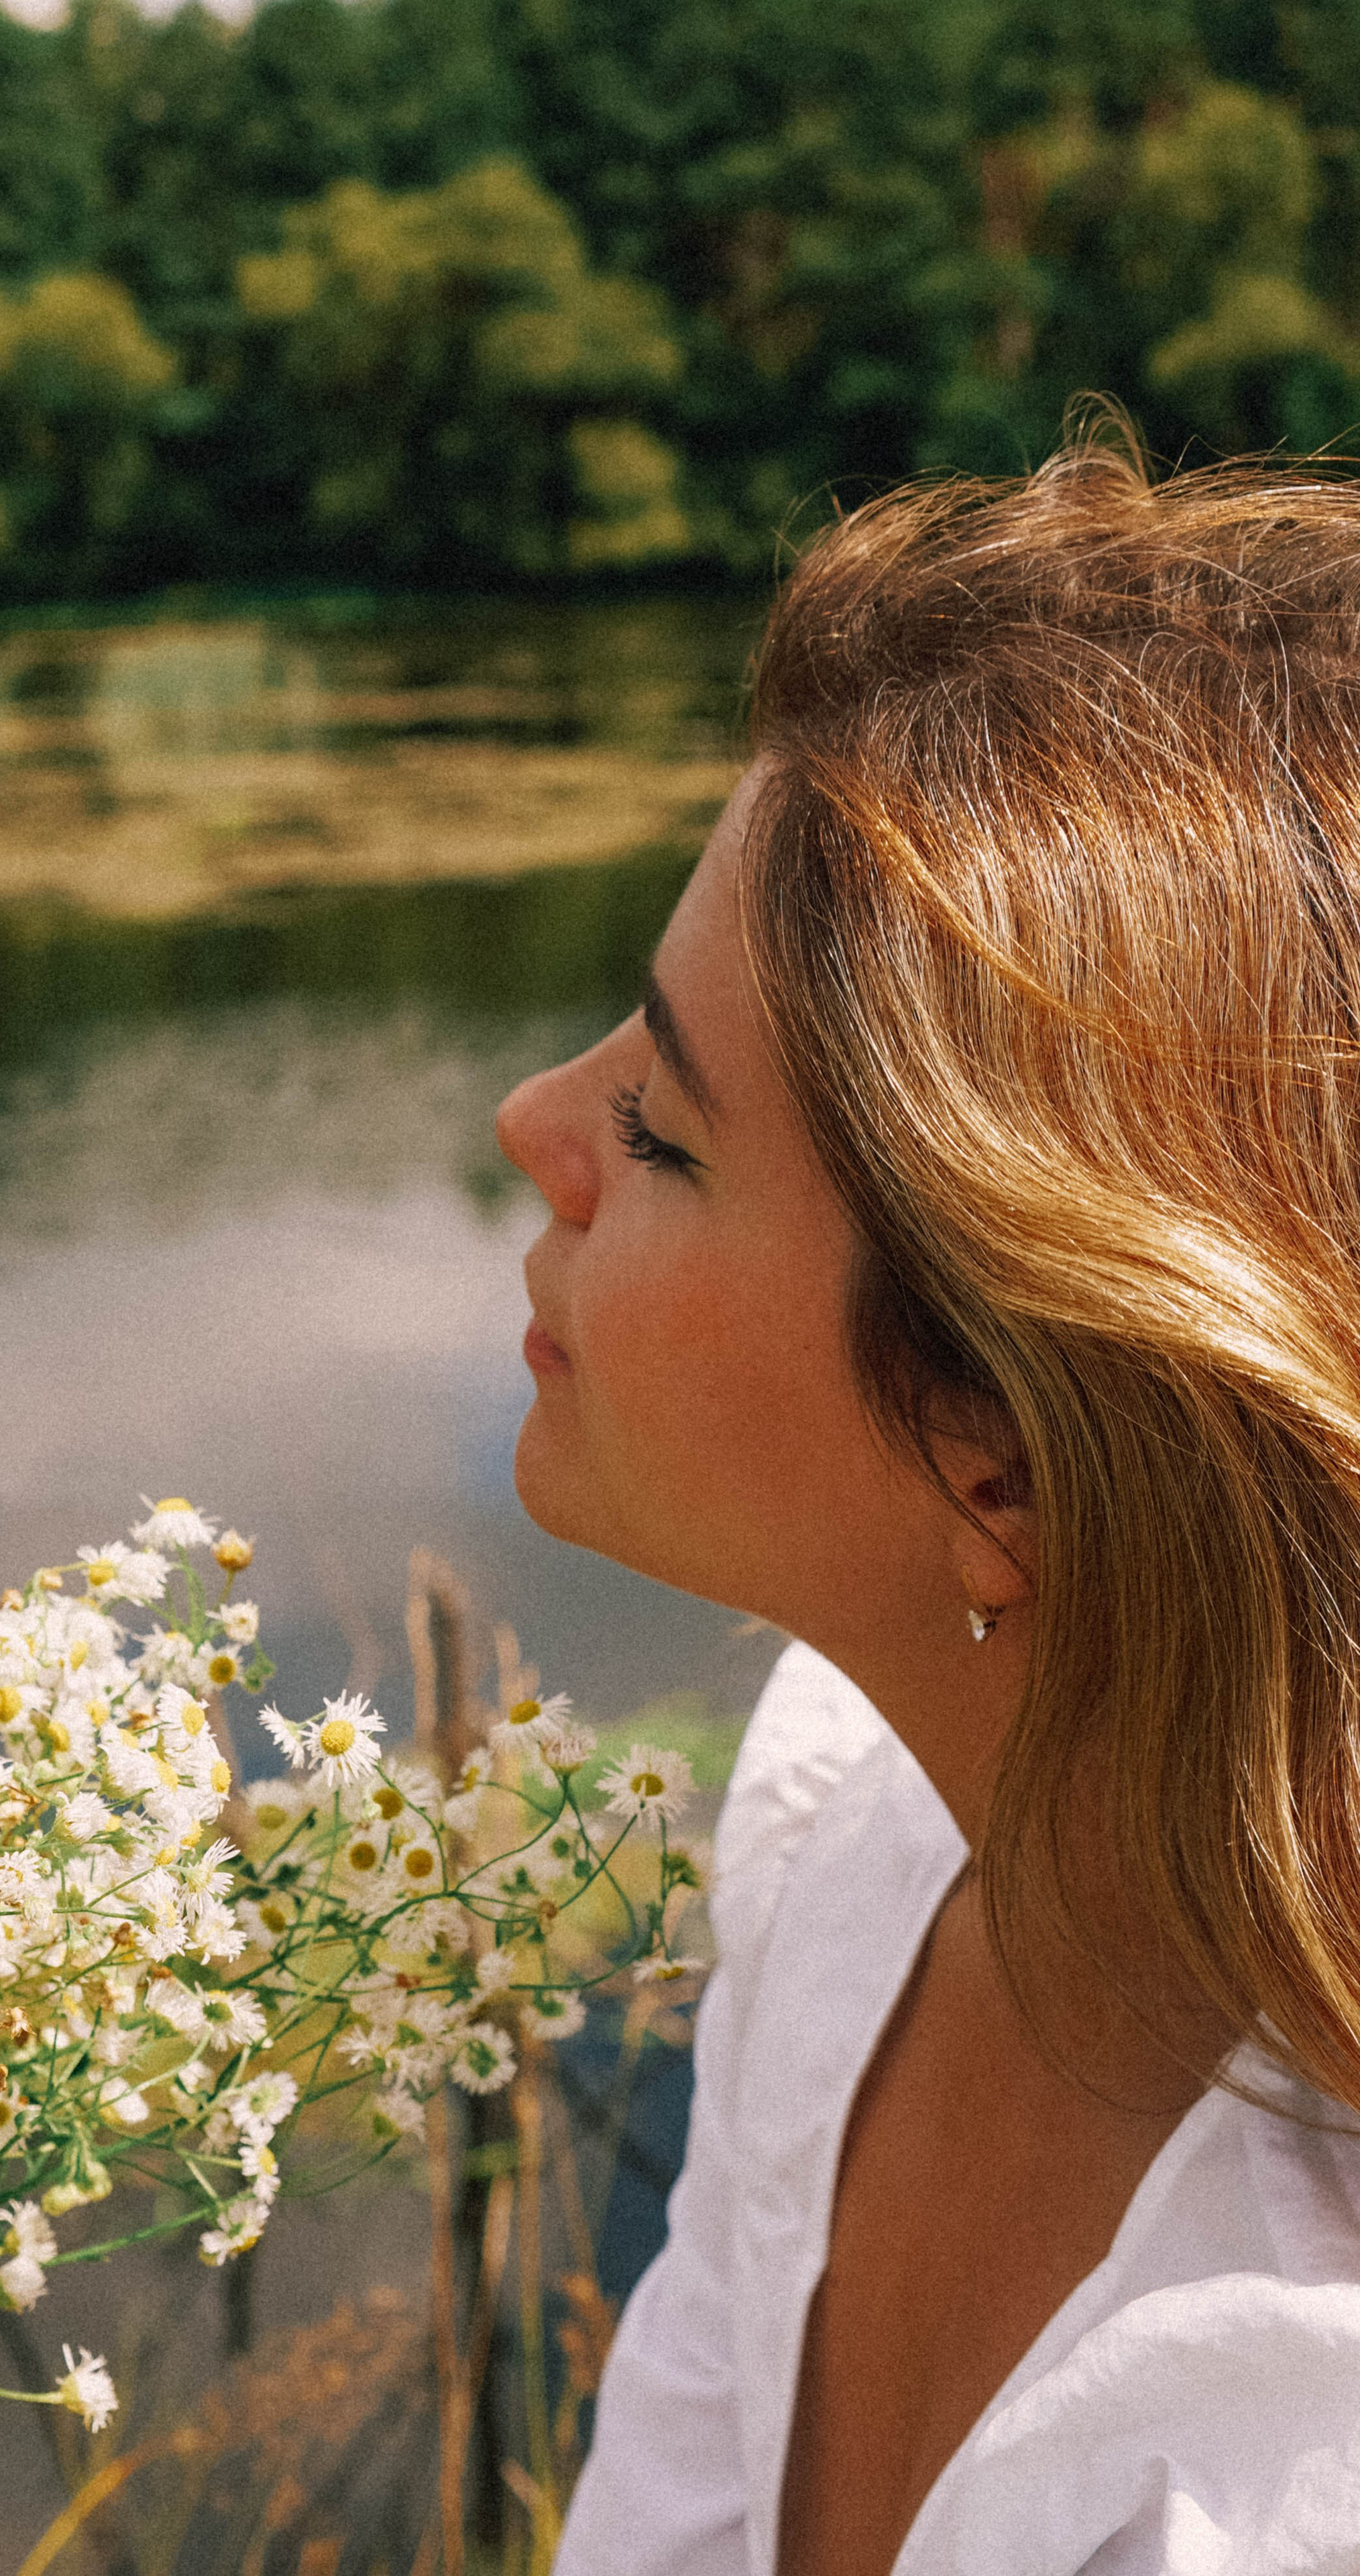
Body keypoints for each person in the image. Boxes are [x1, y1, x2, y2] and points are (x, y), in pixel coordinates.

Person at [495, 432, 1360, 2576]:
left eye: (664, 1133)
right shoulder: (849, 1835)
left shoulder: (1276, 2475)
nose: (535, 1123)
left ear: (1007, 1454)